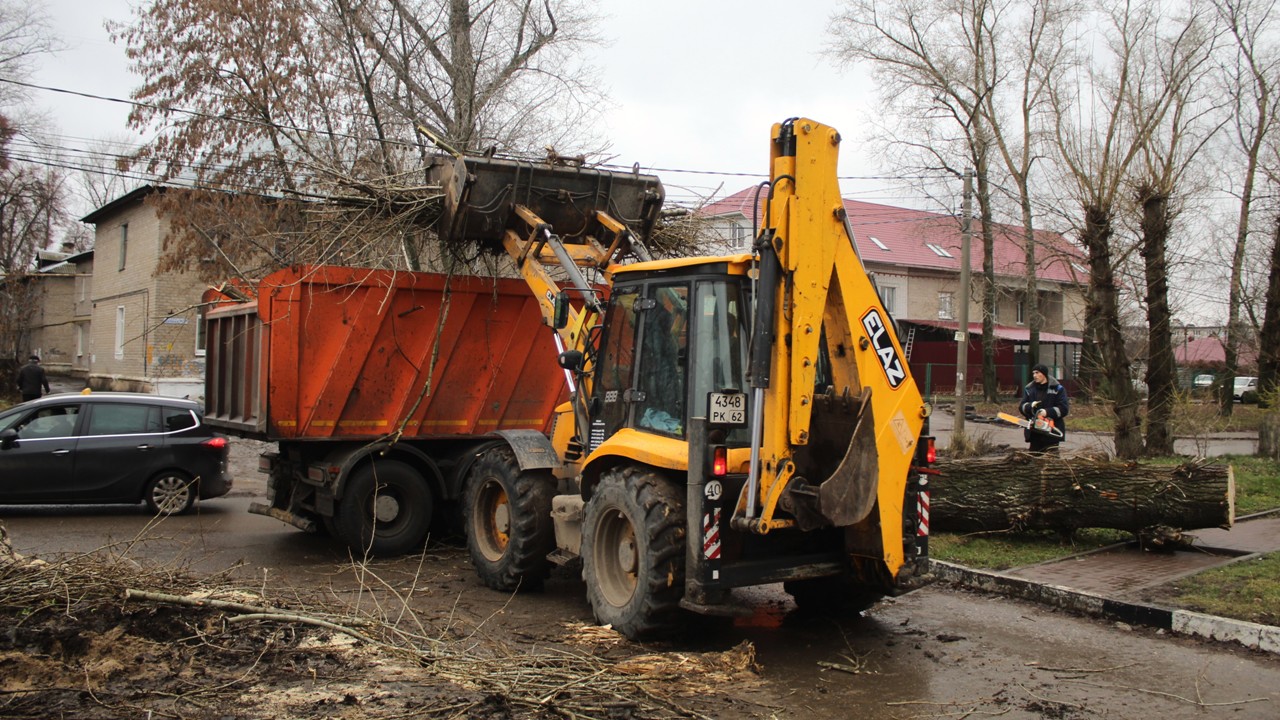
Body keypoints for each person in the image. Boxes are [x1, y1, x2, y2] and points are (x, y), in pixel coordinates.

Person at [1019, 363, 1068, 453]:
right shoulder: (1029, 389)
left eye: (1037, 373)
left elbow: (1063, 409)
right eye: (1033, 373)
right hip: (1034, 432)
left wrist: (1047, 412)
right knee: (1034, 459)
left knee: (1051, 460)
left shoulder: (1057, 389)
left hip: (1051, 432)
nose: (1035, 375)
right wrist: (1030, 406)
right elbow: (1022, 407)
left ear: (1044, 374)